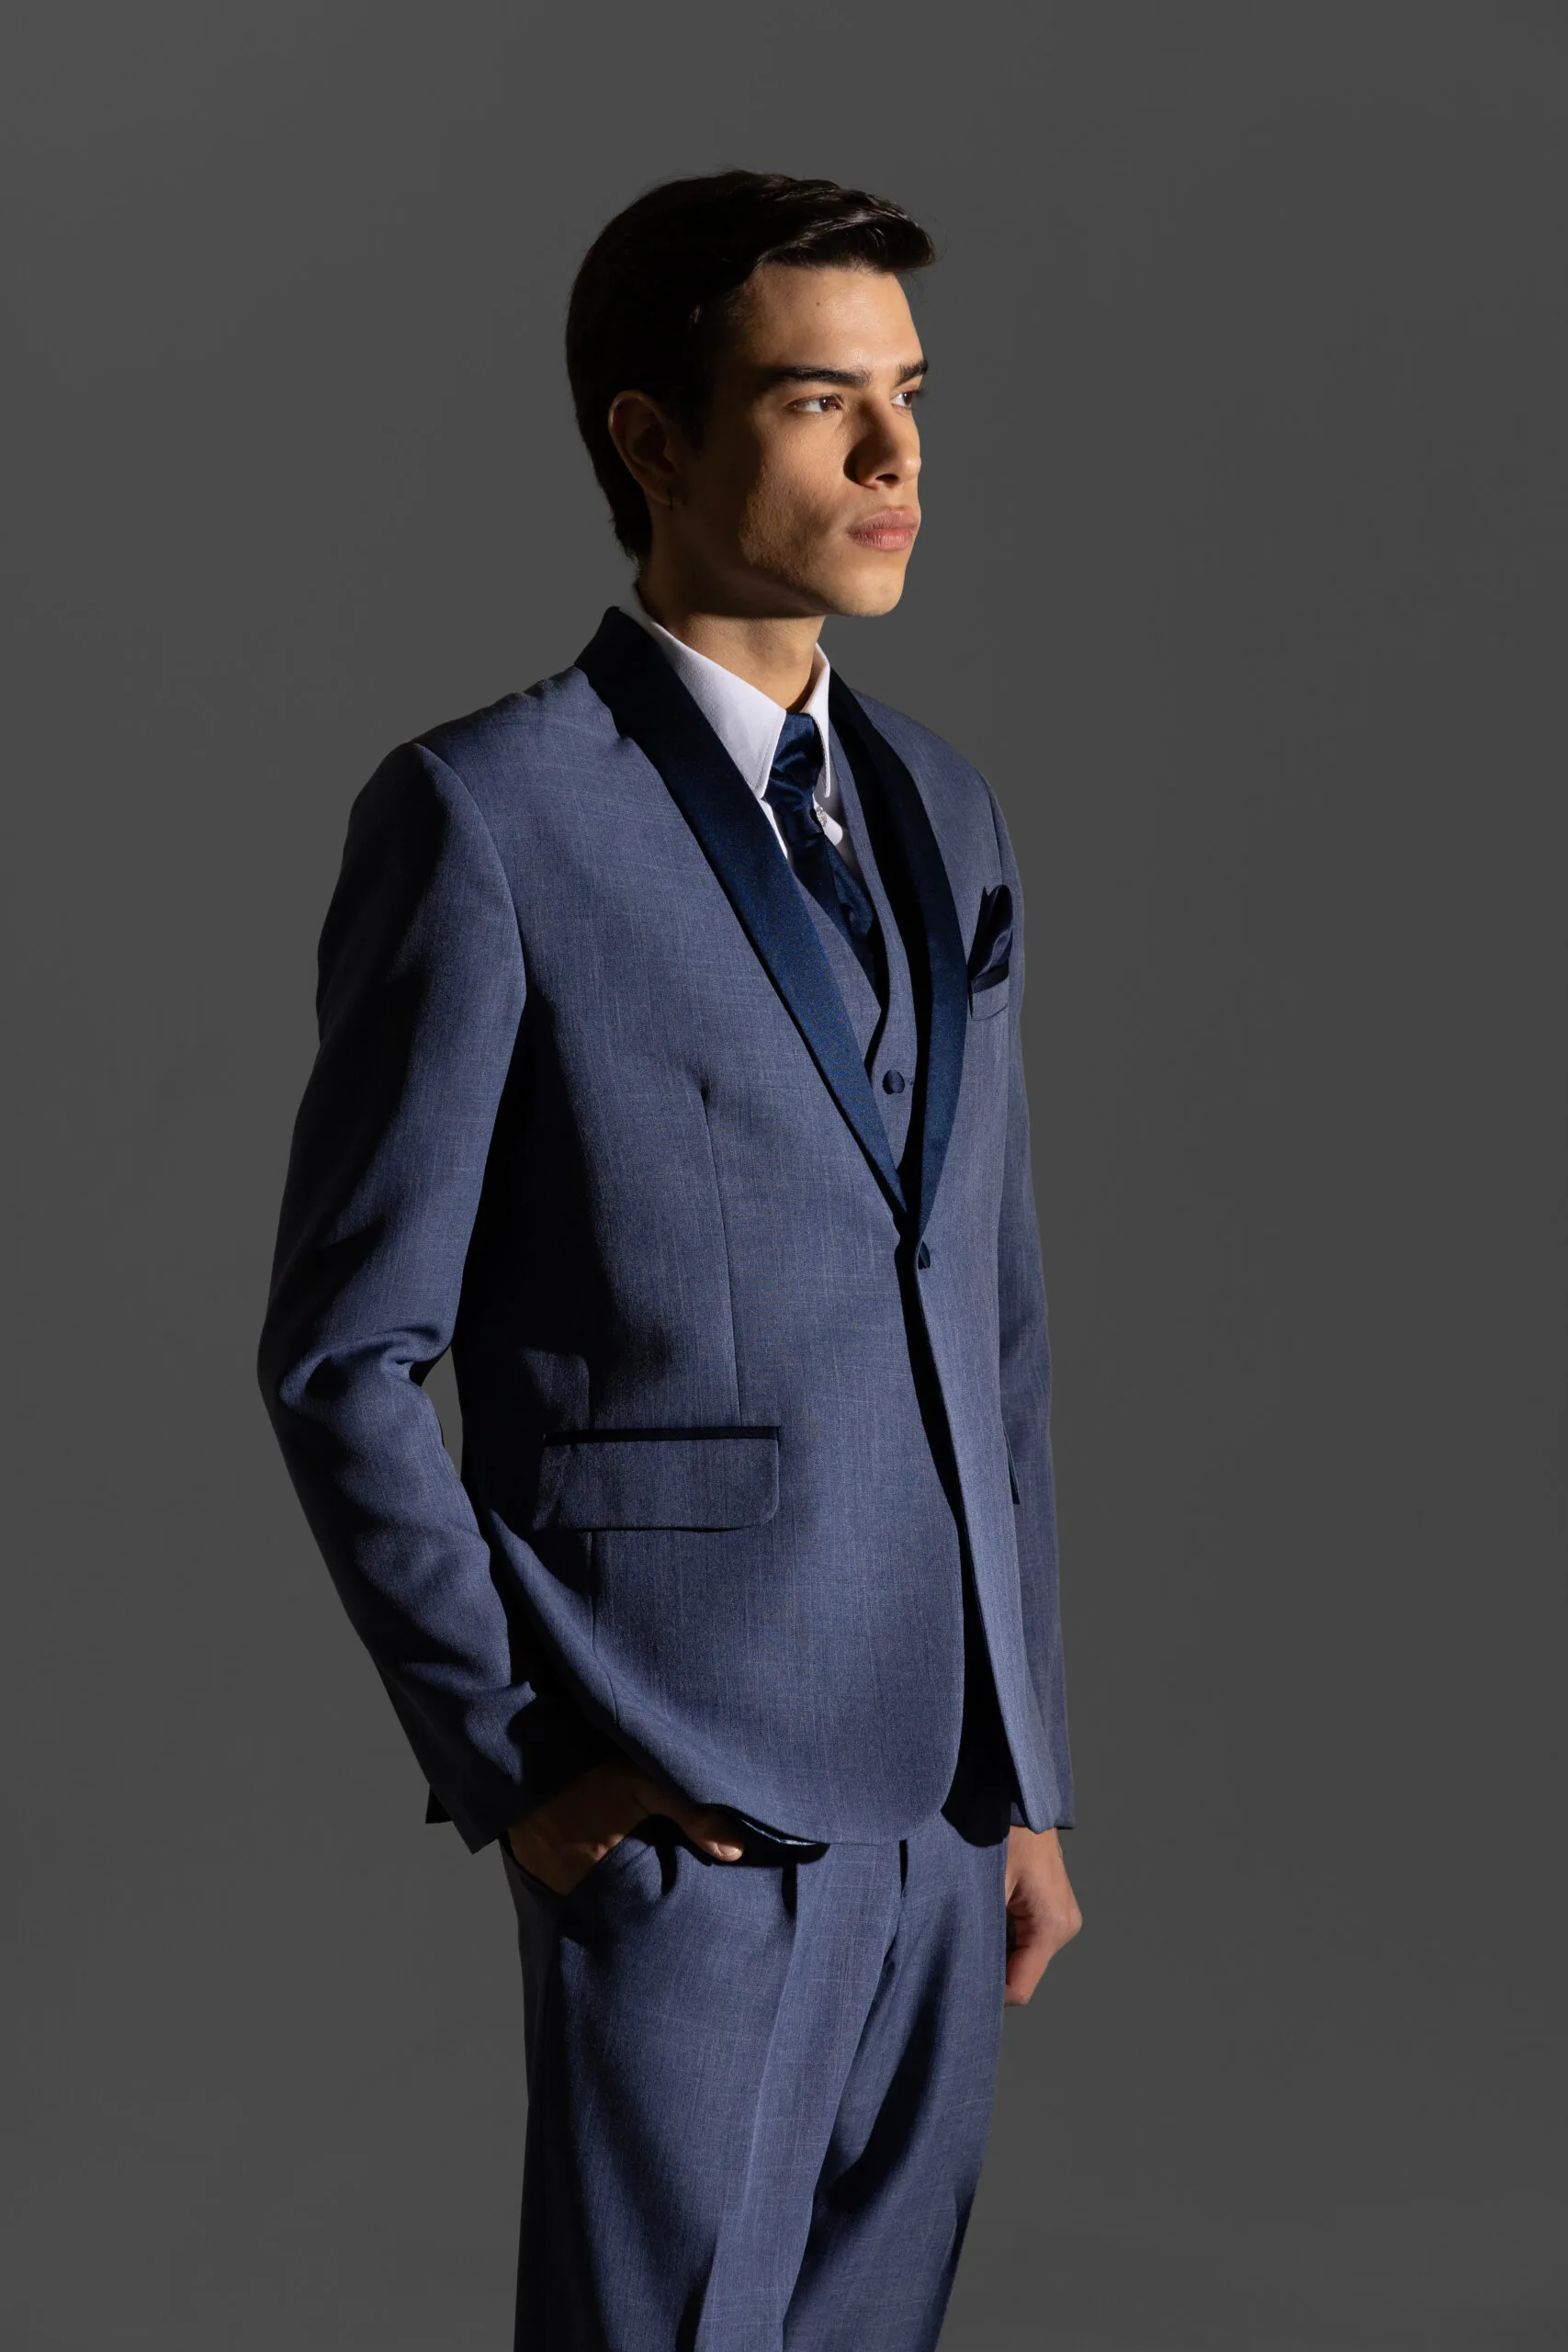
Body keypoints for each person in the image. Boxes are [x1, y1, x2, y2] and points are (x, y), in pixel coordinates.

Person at [257, 168, 1082, 2351]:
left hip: (945, 1817)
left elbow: (986, 1319)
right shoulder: (487, 818)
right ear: (649, 439)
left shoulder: (947, 815)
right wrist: (525, 1760)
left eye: (912, 396)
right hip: (676, 1799)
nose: (897, 457)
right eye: (823, 402)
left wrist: (1027, 1775)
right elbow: (344, 1353)